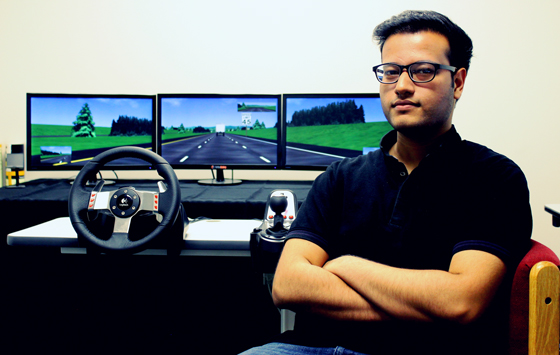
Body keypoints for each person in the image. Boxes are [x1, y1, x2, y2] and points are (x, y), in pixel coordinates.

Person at [240, 10, 532, 355]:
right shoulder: (339, 177)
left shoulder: (493, 178)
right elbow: (288, 286)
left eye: (423, 71)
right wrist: (419, 304)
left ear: (458, 82)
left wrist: (344, 265)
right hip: (311, 347)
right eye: (391, 72)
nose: (402, 86)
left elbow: (460, 303)